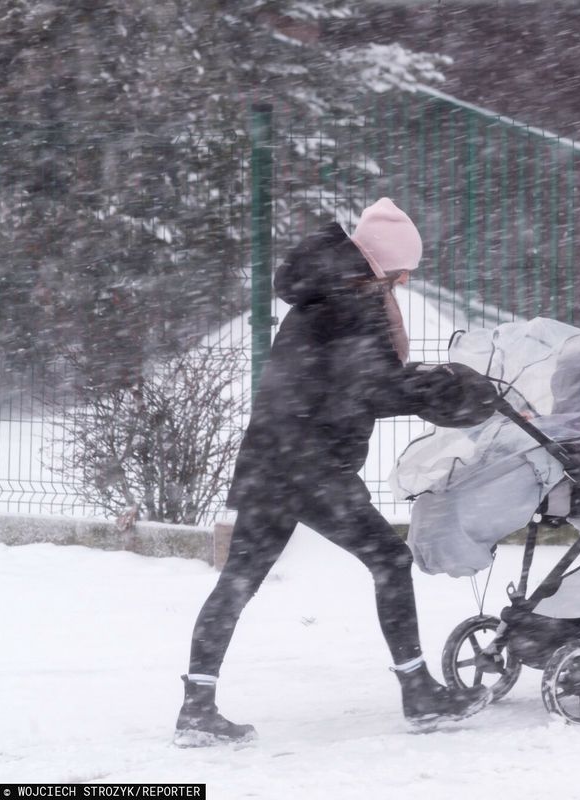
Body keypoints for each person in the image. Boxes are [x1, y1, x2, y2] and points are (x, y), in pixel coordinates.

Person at [175, 199, 499, 746]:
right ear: (386, 267)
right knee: (390, 559)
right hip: (310, 464)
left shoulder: (324, 295)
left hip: (272, 459)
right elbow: (376, 387)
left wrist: (426, 381)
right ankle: (419, 695)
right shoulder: (353, 304)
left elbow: (360, 377)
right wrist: (457, 390)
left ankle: (196, 708)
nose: (406, 281)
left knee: (239, 579)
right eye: (404, 272)